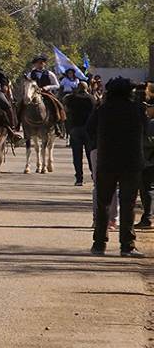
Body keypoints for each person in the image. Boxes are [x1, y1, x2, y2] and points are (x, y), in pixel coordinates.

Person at [87, 77, 146, 257]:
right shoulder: (137, 109)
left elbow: (89, 129)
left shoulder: (102, 109)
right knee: (128, 205)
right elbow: (144, 129)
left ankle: (99, 244)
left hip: (106, 162)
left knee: (103, 203)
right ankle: (127, 246)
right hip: (131, 163)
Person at [64, 81, 96, 186]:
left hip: (75, 129)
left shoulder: (72, 98)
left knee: (77, 156)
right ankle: (94, 176)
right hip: (88, 130)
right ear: (86, 89)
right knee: (90, 155)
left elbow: (66, 106)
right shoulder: (91, 98)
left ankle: (79, 178)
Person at [137, 91, 154, 229]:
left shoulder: (151, 123)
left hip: (149, 161)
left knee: (146, 189)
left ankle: (148, 217)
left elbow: (148, 141)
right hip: (148, 160)